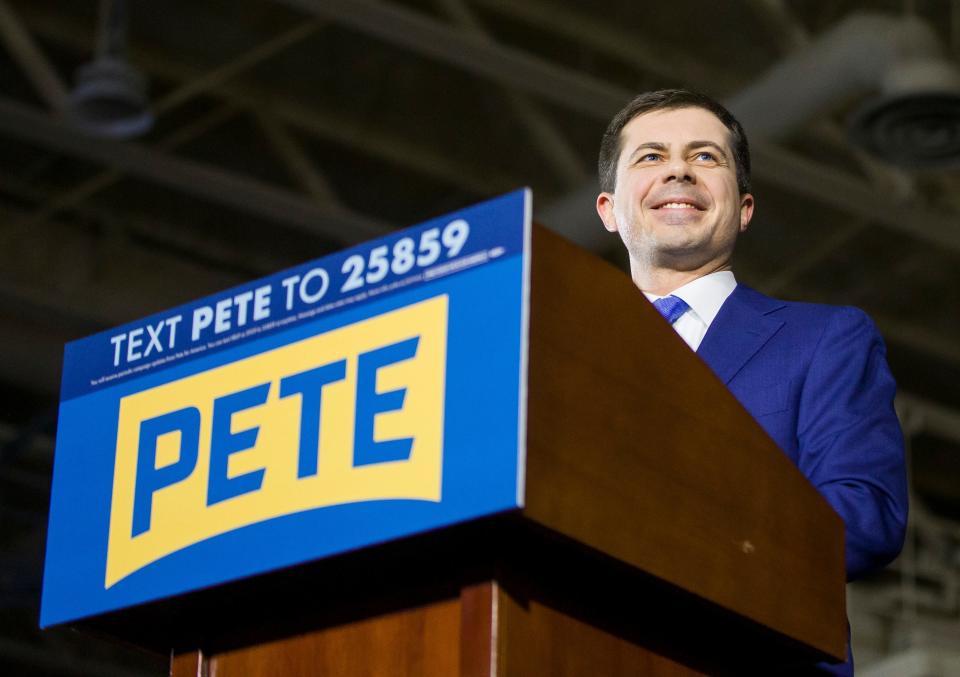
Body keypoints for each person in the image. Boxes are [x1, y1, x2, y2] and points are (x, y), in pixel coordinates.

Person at [595, 89, 908, 676]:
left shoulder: (825, 339)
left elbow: (865, 518)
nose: (680, 169)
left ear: (743, 208)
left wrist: (679, 534)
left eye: (706, 157)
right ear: (609, 210)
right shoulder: (560, 346)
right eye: (651, 156)